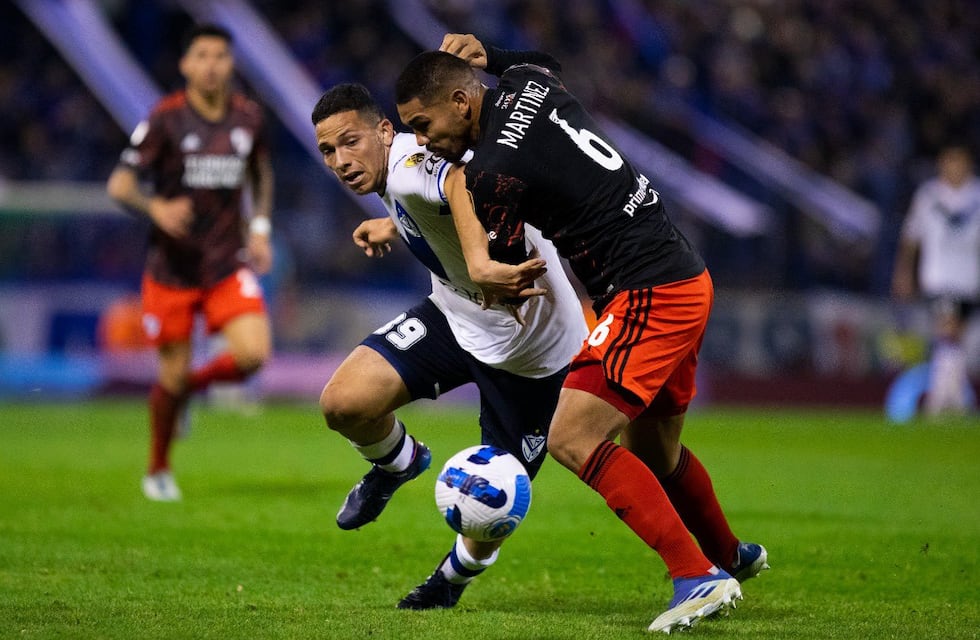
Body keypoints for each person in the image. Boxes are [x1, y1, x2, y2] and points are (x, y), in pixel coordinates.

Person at [394, 35, 768, 633]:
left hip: (645, 292)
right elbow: (545, 58)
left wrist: (485, 272)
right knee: (655, 450)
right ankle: (729, 554)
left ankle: (698, 576)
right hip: (685, 274)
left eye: (423, 122)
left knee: (572, 436)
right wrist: (488, 49)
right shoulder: (528, 82)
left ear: (463, 102)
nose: (421, 139)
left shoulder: (490, 171)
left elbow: (502, 262)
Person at [310, 83, 588, 608]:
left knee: (493, 499)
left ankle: (449, 582)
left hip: (531, 350)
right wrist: (395, 224)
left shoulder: (415, 162)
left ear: (385, 131)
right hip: (457, 315)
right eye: (328, 150)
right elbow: (433, 198)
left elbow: (461, 180)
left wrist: (482, 266)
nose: (341, 161)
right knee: (343, 403)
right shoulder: (400, 173)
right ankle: (400, 463)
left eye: (351, 142)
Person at [106, 23, 275, 502]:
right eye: (201, 55)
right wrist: (155, 207)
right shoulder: (164, 120)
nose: (211, 65)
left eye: (220, 55)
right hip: (172, 269)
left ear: (231, 63)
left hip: (226, 262)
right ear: (185, 64)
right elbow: (119, 185)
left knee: (252, 356)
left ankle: (184, 394)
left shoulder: (248, 118)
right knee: (171, 374)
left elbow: (261, 173)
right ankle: (158, 469)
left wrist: (259, 228)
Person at [892, 145, 980, 416]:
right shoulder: (929, 195)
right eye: (949, 161)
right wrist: (904, 271)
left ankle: (950, 398)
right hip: (939, 276)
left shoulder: (977, 194)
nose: (954, 167)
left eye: (959, 161)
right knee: (948, 331)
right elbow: (912, 235)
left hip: (970, 277)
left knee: (956, 337)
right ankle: (943, 400)